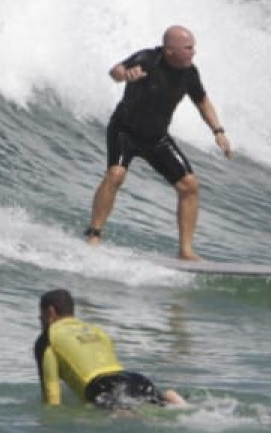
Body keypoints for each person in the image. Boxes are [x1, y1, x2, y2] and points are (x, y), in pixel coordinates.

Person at [84, 24, 232, 260]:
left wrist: (218, 131)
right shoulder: (147, 59)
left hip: (156, 138)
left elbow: (202, 102)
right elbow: (115, 71)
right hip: (125, 131)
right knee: (115, 175)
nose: (194, 52)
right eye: (189, 47)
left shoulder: (189, 73)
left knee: (189, 186)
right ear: (170, 50)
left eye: (193, 47)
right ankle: (94, 233)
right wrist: (125, 75)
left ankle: (185, 251)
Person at [34, 288, 184, 410]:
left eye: (40, 317)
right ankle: (170, 397)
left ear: (51, 312)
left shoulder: (47, 339)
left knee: (128, 418)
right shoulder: (95, 330)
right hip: (134, 377)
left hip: (102, 387)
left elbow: (51, 394)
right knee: (158, 405)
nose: (40, 321)